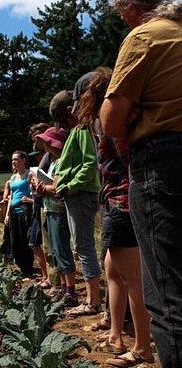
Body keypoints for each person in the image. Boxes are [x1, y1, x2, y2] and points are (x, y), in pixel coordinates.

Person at [100, 0, 182, 366]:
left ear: (130, 6)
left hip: (164, 162)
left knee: (167, 291)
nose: (120, 17)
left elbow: (112, 120)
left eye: (119, 9)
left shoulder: (145, 36)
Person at [77, 68, 152, 366]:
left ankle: (143, 346)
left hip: (122, 202)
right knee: (113, 270)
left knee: (133, 278)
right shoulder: (106, 120)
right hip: (116, 201)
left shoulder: (108, 120)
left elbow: (127, 160)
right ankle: (115, 334)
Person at [51, 89, 102, 316]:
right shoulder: (75, 131)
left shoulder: (81, 130)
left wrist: (69, 185)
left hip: (80, 195)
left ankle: (93, 302)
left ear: (70, 112)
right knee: (80, 245)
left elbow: (89, 165)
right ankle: (93, 300)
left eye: (64, 120)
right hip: (75, 196)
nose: (64, 125)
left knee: (84, 246)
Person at [34, 127, 78, 305]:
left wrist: (43, 188)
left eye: (47, 142)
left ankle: (71, 291)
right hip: (50, 209)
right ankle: (62, 287)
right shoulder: (53, 162)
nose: (45, 145)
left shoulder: (61, 162)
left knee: (62, 249)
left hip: (59, 210)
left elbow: (57, 187)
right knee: (55, 251)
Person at [4, 151, 35, 277]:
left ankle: (28, 268)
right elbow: (11, 197)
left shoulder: (30, 174)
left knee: (24, 239)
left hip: (24, 211)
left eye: (16, 159)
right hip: (13, 212)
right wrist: (6, 214)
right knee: (14, 238)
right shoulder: (13, 177)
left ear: (23, 160)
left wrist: (30, 200)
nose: (14, 162)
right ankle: (21, 266)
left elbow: (35, 190)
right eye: (12, 160)